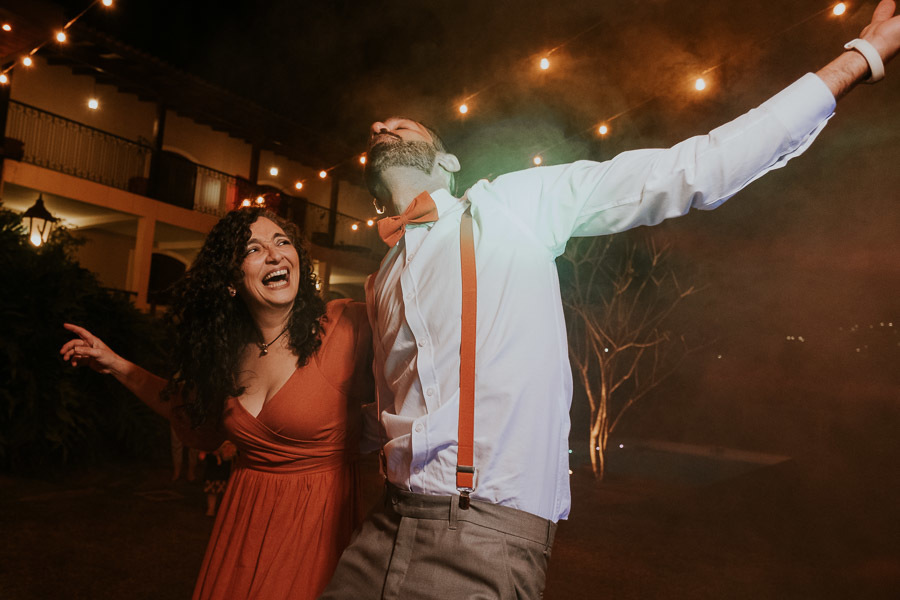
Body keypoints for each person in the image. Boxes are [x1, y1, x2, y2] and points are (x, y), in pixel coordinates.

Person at [320, 3, 900, 598]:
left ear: (448, 162)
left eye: (403, 124)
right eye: (376, 131)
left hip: (481, 536)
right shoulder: (382, 277)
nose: (382, 127)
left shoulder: (509, 205)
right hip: (380, 526)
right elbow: (387, 410)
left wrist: (862, 57)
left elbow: (693, 170)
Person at [60, 207, 373, 600]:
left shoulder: (346, 324)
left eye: (282, 242)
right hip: (243, 529)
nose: (275, 255)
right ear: (230, 280)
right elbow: (185, 410)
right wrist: (117, 365)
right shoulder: (224, 357)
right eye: (254, 249)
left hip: (320, 530)